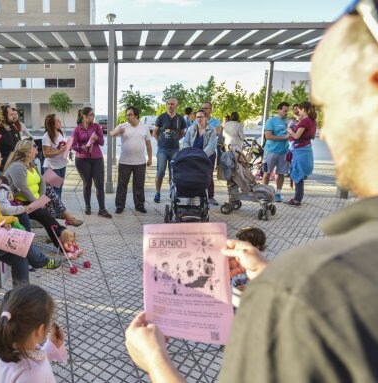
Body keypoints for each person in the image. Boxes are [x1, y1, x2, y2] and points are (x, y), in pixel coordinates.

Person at [126, 3, 378, 380]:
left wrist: (156, 363)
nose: (320, 129)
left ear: (371, 82)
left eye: (326, 104)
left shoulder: (311, 292)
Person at [4, 139, 78, 247]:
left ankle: (62, 239)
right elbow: (22, 188)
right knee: (44, 214)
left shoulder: (31, 164)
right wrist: (38, 202)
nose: (37, 149)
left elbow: (42, 181)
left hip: (32, 202)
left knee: (47, 210)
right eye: (34, 146)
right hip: (19, 203)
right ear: (27, 152)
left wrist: (42, 198)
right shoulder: (17, 166)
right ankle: (63, 236)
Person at [0, 284, 67, 382]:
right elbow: (32, 367)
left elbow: (31, 359)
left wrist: (51, 346)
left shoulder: (6, 350)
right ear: (40, 330)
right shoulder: (33, 375)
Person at [109, 106, 153, 214]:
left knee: (139, 185)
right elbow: (111, 133)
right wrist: (116, 131)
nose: (128, 117)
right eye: (127, 114)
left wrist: (150, 158)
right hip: (125, 162)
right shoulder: (123, 126)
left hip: (140, 162)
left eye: (130, 114)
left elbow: (148, 144)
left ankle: (139, 205)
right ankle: (120, 206)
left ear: (136, 115)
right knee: (122, 185)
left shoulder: (144, 127)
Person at [71, 107, 112, 218]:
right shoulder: (77, 129)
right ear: (84, 116)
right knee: (87, 183)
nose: (93, 116)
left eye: (93, 114)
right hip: (82, 159)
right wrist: (81, 148)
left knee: (99, 184)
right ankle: (87, 206)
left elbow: (102, 142)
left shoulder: (96, 127)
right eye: (91, 114)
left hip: (97, 158)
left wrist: (96, 138)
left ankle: (102, 209)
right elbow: (73, 145)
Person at [152, 98, 187, 203]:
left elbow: (182, 133)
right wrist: (161, 141)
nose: (170, 106)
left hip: (175, 150)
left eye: (172, 104)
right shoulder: (161, 117)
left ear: (176, 105)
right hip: (162, 149)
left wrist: (175, 140)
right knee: (160, 172)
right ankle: (157, 193)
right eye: (168, 104)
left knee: (174, 173)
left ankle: (173, 193)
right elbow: (155, 132)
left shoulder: (180, 118)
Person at [182, 110, 218, 205]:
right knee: (192, 176)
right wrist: (189, 152)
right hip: (192, 156)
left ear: (206, 118)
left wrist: (200, 156)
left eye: (201, 117)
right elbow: (185, 142)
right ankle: (191, 195)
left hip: (207, 157)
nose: (199, 119)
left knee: (207, 176)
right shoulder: (191, 128)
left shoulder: (211, 130)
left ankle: (209, 196)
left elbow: (211, 146)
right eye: (197, 117)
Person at [284, 101, 316, 207]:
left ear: (304, 110)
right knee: (300, 174)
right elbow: (312, 136)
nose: (298, 111)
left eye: (300, 109)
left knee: (297, 174)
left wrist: (290, 130)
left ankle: (297, 199)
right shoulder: (312, 121)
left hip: (300, 150)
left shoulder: (305, 121)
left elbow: (297, 136)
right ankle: (298, 198)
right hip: (306, 148)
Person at [262, 102, 290, 202]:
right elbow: (268, 136)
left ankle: (278, 193)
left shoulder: (288, 121)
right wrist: (283, 137)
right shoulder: (271, 121)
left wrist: (292, 120)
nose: (286, 113)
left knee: (281, 173)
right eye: (285, 110)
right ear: (278, 110)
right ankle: (264, 193)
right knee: (267, 173)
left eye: (288, 111)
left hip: (284, 152)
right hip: (271, 151)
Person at [41, 113, 69, 199]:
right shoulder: (47, 136)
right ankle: (57, 211)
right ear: (52, 124)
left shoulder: (60, 132)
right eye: (57, 120)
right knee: (54, 191)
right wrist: (59, 151)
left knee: (59, 189)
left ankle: (59, 210)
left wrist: (68, 149)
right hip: (52, 167)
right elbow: (45, 154)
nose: (60, 121)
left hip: (61, 164)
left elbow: (62, 146)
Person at [0, 104, 21, 170]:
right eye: (11, 115)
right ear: (3, 116)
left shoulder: (14, 128)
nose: (13, 117)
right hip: (3, 169)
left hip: (16, 166)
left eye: (13, 114)